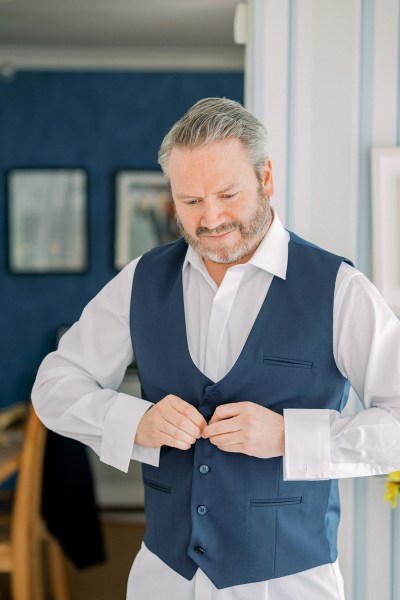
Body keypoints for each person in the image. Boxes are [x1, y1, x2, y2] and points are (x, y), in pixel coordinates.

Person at [32, 98, 400, 600]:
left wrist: (291, 436)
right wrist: (131, 421)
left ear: (265, 178)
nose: (211, 219)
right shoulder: (141, 280)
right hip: (162, 576)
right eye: (190, 201)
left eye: (227, 194)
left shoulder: (338, 288)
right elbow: (55, 384)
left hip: (289, 582)